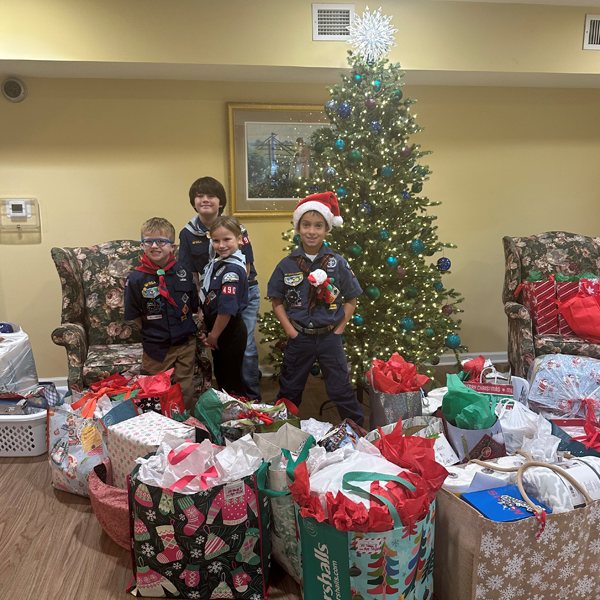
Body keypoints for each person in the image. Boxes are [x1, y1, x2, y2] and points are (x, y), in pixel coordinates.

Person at [267, 192, 365, 426]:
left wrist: (339, 329)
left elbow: (351, 298)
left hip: (329, 337)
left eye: (318, 226)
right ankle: (280, 432)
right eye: (306, 225)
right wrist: (291, 331)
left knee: (341, 388)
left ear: (327, 229)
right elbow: (276, 300)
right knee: (290, 389)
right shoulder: (287, 264)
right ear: (298, 227)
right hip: (299, 337)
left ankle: (359, 434)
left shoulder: (337, 263)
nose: (312, 231)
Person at [179, 177, 262, 399]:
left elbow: (244, 267)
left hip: (239, 294)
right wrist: (202, 305)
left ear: (221, 201)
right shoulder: (187, 233)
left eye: (211, 195)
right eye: (200, 196)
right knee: (220, 349)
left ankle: (252, 399)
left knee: (247, 348)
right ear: (193, 202)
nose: (205, 200)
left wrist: (230, 297)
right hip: (210, 297)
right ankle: (227, 399)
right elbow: (192, 274)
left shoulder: (237, 228)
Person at [124, 217, 199, 410]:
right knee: (155, 390)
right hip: (156, 346)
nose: (154, 246)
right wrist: (152, 327)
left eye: (161, 241)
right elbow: (133, 313)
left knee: (185, 387)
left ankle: (184, 421)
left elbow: (192, 306)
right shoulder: (136, 279)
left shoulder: (184, 274)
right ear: (142, 245)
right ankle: (157, 423)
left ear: (172, 246)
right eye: (148, 241)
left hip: (185, 342)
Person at [199, 216, 249, 396]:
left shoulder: (232, 270)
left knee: (232, 382)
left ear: (239, 239)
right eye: (216, 240)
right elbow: (210, 300)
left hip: (229, 332)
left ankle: (243, 419)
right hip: (218, 331)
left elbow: (226, 310)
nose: (221, 245)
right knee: (222, 378)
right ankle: (230, 417)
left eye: (227, 239)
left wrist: (213, 336)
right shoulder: (217, 265)